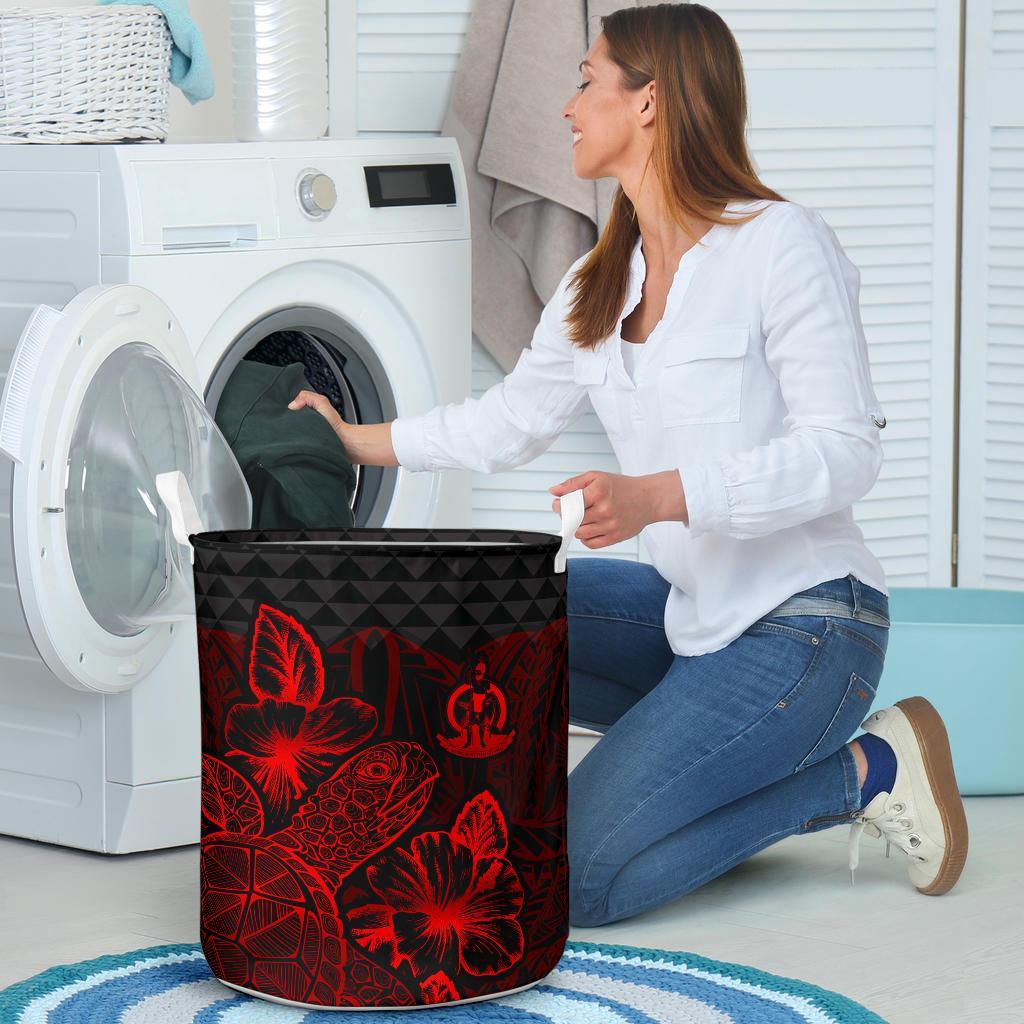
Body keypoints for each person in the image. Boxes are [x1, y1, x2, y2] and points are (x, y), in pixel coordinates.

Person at [287, 2, 968, 928]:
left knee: (571, 880)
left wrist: (659, 498)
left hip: (809, 626)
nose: (567, 108)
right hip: (692, 617)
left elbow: (845, 453)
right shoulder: (597, 283)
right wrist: (358, 437)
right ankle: (541, 806)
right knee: (475, 616)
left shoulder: (779, 243)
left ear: (648, 102)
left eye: (586, 82)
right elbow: (508, 422)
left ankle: (864, 773)